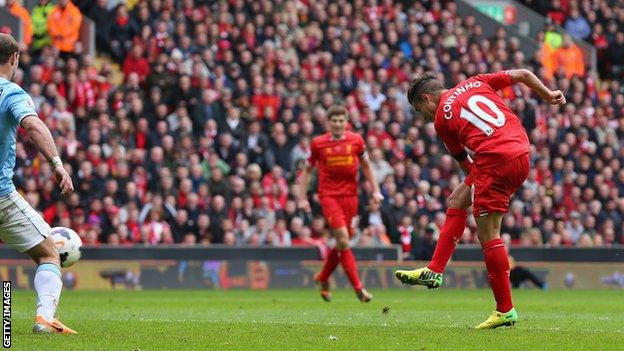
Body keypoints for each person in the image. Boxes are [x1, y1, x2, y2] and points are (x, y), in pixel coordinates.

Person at [395, 69, 565, 329]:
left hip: (495, 160)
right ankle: (435, 269)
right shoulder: (476, 81)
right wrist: (548, 94)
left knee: (488, 234)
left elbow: (465, 162)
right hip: (520, 151)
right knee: (457, 200)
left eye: (420, 110)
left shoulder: (442, 119)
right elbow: (522, 74)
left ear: (427, 98)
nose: (424, 116)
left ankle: (505, 309)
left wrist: (485, 180)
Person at [0, 34, 76, 334]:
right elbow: (33, 124)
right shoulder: (10, 92)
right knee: (48, 252)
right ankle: (44, 318)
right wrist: (57, 164)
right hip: (1, 196)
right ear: (15, 58)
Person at [298, 105, 384, 303]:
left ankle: (322, 277)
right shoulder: (318, 144)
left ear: (346, 122)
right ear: (328, 123)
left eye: (340, 120)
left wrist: (375, 190)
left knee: (341, 243)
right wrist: (302, 198)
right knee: (344, 240)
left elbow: (366, 165)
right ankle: (359, 289)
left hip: (351, 198)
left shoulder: (356, 140)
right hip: (328, 197)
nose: (337, 124)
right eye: (334, 121)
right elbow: (307, 171)